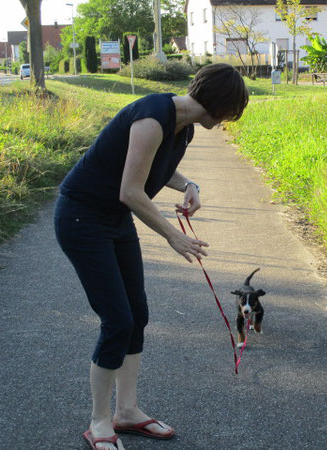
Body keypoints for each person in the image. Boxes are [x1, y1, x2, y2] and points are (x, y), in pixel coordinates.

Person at [53, 63, 249, 450]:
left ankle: (127, 412)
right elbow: (130, 190)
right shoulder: (152, 118)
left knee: (137, 315)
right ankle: (99, 421)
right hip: (82, 218)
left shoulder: (183, 127)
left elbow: (157, 169)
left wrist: (189, 183)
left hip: (113, 220)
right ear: (221, 104)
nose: (229, 120)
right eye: (232, 111)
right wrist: (173, 236)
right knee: (117, 320)